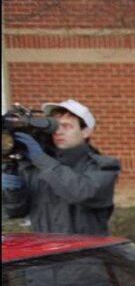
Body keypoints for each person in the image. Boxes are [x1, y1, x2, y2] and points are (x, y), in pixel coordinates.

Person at [2, 99, 120, 234]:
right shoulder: (36, 167)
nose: (59, 132)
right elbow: (15, 212)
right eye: (55, 127)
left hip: (87, 248)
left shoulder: (104, 166)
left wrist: (41, 160)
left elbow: (81, 193)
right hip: (46, 247)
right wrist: (13, 191)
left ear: (86, 132)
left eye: (67, 126)